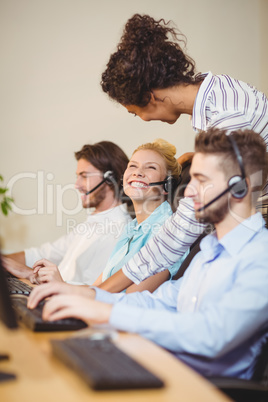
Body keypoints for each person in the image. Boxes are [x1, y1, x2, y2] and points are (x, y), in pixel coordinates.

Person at [28, 128, 268, 380]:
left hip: (200, 387)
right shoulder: (210, 251)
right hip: (162, 367)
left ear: (240, 187)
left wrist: (104, 312)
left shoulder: (259, 257)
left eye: (202, 180)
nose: (187, 192)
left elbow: (212, 335)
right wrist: (83, 294)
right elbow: (156, 301)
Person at [97, 13, 268, 291]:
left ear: (149, 97)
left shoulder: (226, 119)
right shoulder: (219, 93)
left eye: (135, 112)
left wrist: (97, 295)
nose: (142, 120)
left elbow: (176, 237)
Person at [31, 139, 187, 293]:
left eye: (150, 167)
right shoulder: (132, 229)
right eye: (132, 165)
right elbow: (99, 288)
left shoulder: (167, 232)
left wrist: (63, 287)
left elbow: (130, 299)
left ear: (168, 184)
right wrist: (57, 284)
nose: (137, 172)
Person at [2, 141, 131, 285]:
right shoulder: (93, 223)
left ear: (109, 179)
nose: (77, 185)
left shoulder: (117, 232)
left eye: (84, 176)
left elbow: (92, 292)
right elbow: (44, 253)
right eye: (77, 176)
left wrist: (28, 274)